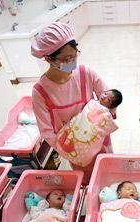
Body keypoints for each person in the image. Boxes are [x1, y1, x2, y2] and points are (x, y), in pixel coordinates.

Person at [31, 22, 114, 182]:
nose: (73, 62)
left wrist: (107, 111)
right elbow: (46, 131)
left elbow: (109, 100)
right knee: (86, 179)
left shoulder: (86, 73)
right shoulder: (40, 91)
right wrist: (68, 149)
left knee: (107, 173)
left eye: (75, 55)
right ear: (49, 59)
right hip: (75, 150)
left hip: (98, 139)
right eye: (67, 58)